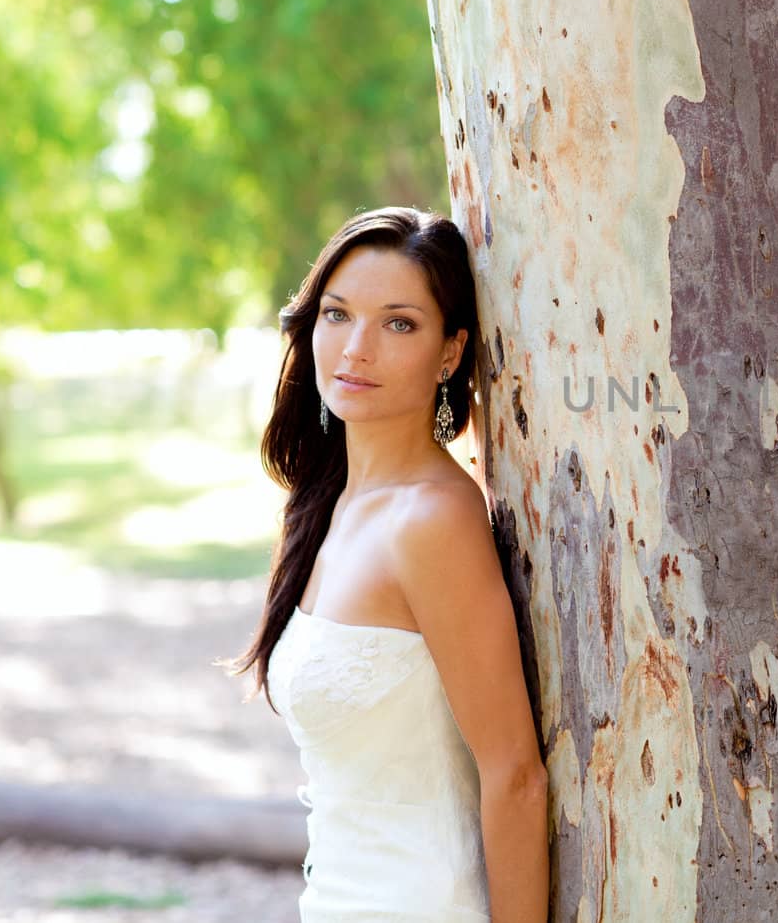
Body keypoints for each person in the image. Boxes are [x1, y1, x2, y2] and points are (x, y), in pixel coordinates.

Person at [233, 207, 548, 922]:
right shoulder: (331, 505)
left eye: (399, 323)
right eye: (338, 315)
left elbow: (515, 775)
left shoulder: (432, 519)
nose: (356, 348)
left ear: (450, 350)